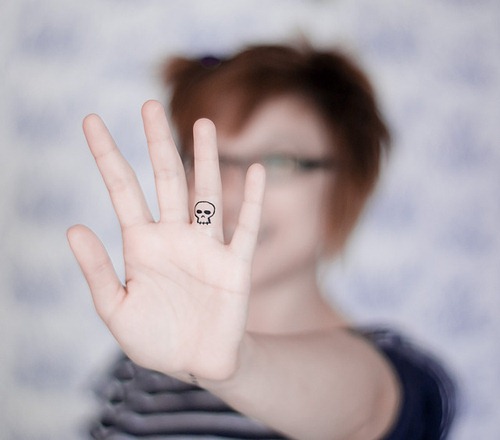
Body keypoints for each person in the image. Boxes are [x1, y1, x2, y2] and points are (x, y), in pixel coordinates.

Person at [67, 43, 456, 439]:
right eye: (212, 161)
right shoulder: (140, 366)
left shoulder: (398, 377)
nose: (231, 191)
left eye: (278, 161)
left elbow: (365, 411)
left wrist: (235, 365)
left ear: (347, 184)